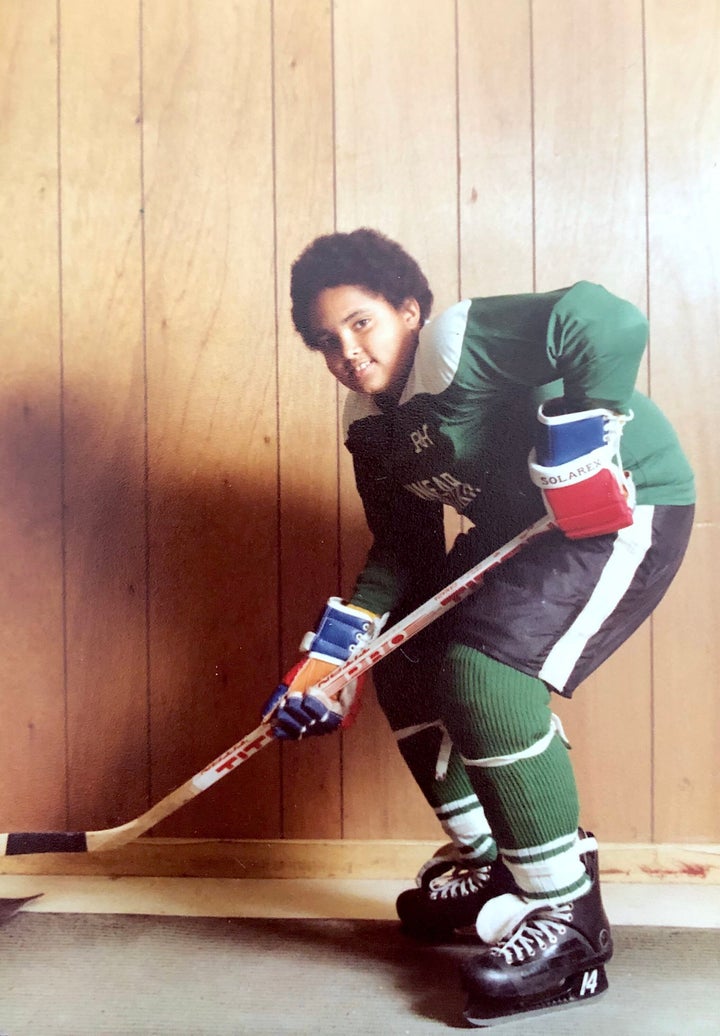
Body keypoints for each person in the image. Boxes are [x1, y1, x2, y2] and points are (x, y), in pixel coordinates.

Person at [262, 228, 695, 1025]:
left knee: (483, 673)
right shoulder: (370, 429)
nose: (348, 352)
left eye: (363, 323)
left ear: (409, 310)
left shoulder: (460, 342)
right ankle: (496, 861)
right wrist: (336, 657)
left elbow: (604, 318)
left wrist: (589, 416)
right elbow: (405, 551)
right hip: (518, 529)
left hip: (625, 501)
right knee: (408, 661)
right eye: (329, 341)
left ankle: (568, 923)